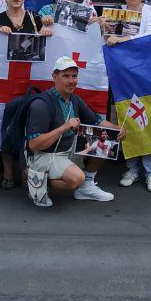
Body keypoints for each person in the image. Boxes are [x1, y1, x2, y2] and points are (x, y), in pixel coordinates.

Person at [25, 56, 123, 206]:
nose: (72, 81)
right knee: (76, 178)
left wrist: (118, 130)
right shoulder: (41, 104)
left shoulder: (74, 99)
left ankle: (85, 187)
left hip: (67, 148)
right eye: (66, 76)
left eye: (74, 76)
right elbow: (34, 145)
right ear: (54, 77)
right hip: (45, 155)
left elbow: (97, 121)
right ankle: (35, 178)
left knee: (107, 139)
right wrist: (63, 127)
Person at [93, 0, 151, 190]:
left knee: (147, 119)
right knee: (126, 119)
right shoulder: (114, 12)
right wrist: (102, 27)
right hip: (122, 74)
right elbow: (105, 42)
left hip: (146, 73)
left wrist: (123, 40)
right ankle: (132, 167)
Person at [0, 0, 50, 193]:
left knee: (29, 126)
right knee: (7, 126)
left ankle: (26, 171)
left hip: (30, 82)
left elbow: (48, 46)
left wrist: (47, 33)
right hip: (5, 83)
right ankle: (7, 172)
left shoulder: (36, 18)